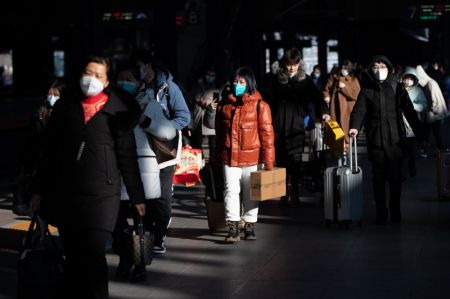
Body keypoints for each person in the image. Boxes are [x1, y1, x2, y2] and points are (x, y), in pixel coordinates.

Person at [31, 56, 147, 299]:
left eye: (98, 75)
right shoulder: (65, 106)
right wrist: (38, 190)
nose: (91, 79)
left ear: (107, 82)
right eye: (87, 72)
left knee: (93, 256)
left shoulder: (119, 112)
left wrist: (137, 196)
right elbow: (49, 151)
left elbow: (126, 157)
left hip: (102, 196)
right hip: (67, 193)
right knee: (73, 257)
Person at [204, 66, 275, 243]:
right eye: (235, 81)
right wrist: (211, 111)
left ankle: (249, 225)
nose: (237, 85)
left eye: (242, 82)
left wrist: (269, 163)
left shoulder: (261, 105)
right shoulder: (223, 105)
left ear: (250, 83)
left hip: (252, 157)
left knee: (251, 192)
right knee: (231, 190)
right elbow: (216, 129)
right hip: (229, 157)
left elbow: (267, 135)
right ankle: (233, 226)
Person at [349, 55, 422, 225]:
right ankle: (381, 211)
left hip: (395, 139)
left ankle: (395, 209)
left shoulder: (397, 87)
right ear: (371, 70)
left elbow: (409, 111)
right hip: (376, 140)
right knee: (378, 178)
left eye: (382, 66)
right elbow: (359, 110)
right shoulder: (367, 89)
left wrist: (420, 133)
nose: (379, 70)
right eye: (375, 67)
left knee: (395, 178)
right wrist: (354, 126)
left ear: (388, 68)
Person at [132, 49, 191, 254]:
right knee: (146, 194)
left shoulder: (169, 87)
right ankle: (147, 233)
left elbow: (184, 117)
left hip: (165, 150)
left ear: (149, 66)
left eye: (141, 66)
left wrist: (162, 127)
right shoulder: (134, 87)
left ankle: (159, 235)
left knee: (163, 196)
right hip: (141, 149)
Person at [265, 48, 330, 206]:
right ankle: (282, 194)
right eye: (288, 64)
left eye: (294, 64)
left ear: (299, 64)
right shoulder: (274, 79)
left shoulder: (305, 80)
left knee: (296, 159)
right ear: (284, 64)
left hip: (297, 124)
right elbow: (266, 100)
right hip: (278, 124)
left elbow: (317, 98)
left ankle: (294, 192)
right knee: (281, 160)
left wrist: (324, 112)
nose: (291, 68)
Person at [13, 79, 65, 216]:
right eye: (50, 94)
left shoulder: (67, 116)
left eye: (56, 94)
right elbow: (28, 142)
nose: (51, 97)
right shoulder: (39, 115)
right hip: (37, 165)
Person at [323, 60, 361, 152]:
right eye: (342, 68)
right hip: (334, 110)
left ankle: (345, 155)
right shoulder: (334, 78)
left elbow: (356, 95)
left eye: (346, 69)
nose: (344, 71)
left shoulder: (354, 80)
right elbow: (326, 90)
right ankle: (338, 154)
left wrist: (344, 88)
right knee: (336, 132)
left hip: (348, 110)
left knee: (346, 133)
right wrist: (327, 97)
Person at [399, 66, 428, 176]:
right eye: (407, 77)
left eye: (411, 78)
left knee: (412, 152)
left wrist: (413, 106)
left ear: (414, 79)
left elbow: (424, 105)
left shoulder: (418, 91)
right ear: (403, 77)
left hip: (413, 127)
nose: (408, 80)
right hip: (400, 126)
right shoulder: (398, 89)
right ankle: (403, 173)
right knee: (402, 153)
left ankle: (412, 168)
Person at [416, 64, 448, 153]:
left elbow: (434, 101)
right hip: (435, 114)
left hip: (433, 114)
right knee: (435, 133)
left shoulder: (430, 84)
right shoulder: (430, 82)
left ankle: (426, 150)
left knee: (427, 133)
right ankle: (440, 150)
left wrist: (429, 111)